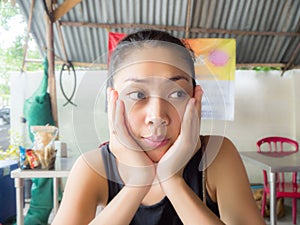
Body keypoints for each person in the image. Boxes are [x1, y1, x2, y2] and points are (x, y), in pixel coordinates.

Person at [52, 29, 265, 225]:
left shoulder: (216, 155)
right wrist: (138, 183)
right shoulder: (94, 167)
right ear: (112, 101)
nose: (157, 116)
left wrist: (172, 179)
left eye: (176, 94)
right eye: (137, 94)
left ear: (195, 99)